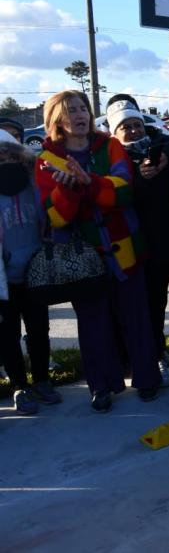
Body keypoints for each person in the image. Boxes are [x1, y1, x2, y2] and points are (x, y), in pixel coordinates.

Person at [35, 90, 160, 412]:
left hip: (126, 247)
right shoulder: (47, 160)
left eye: (82, 109)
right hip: (83, 257)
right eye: (71, 110)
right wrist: (69, 188)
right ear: (56, 120)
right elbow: (56, 216)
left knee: (136, 317)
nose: (80, 115)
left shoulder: (110, 145)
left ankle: (146, 379)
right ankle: (102, 387)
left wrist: (86, 182)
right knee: (93, 324)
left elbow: (122, 193)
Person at [105, 98, 169, 384]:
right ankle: (158, 356)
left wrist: (165, 158)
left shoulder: (161, 145)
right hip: (146, 245)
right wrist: (140, 177)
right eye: (125, 127)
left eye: (136, 124)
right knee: (154, 305)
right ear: (115, 133)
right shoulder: (116, 159)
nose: (134, 131)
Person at [0, 132, 61, 414]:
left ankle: (41, 380)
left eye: (12, 156)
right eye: (0, 158)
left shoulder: (35, 184)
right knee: (7, 335)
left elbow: (50, 216)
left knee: (39, 330)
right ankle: (19, 386)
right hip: (3, 279)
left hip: (36, 271)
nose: (7, 162)